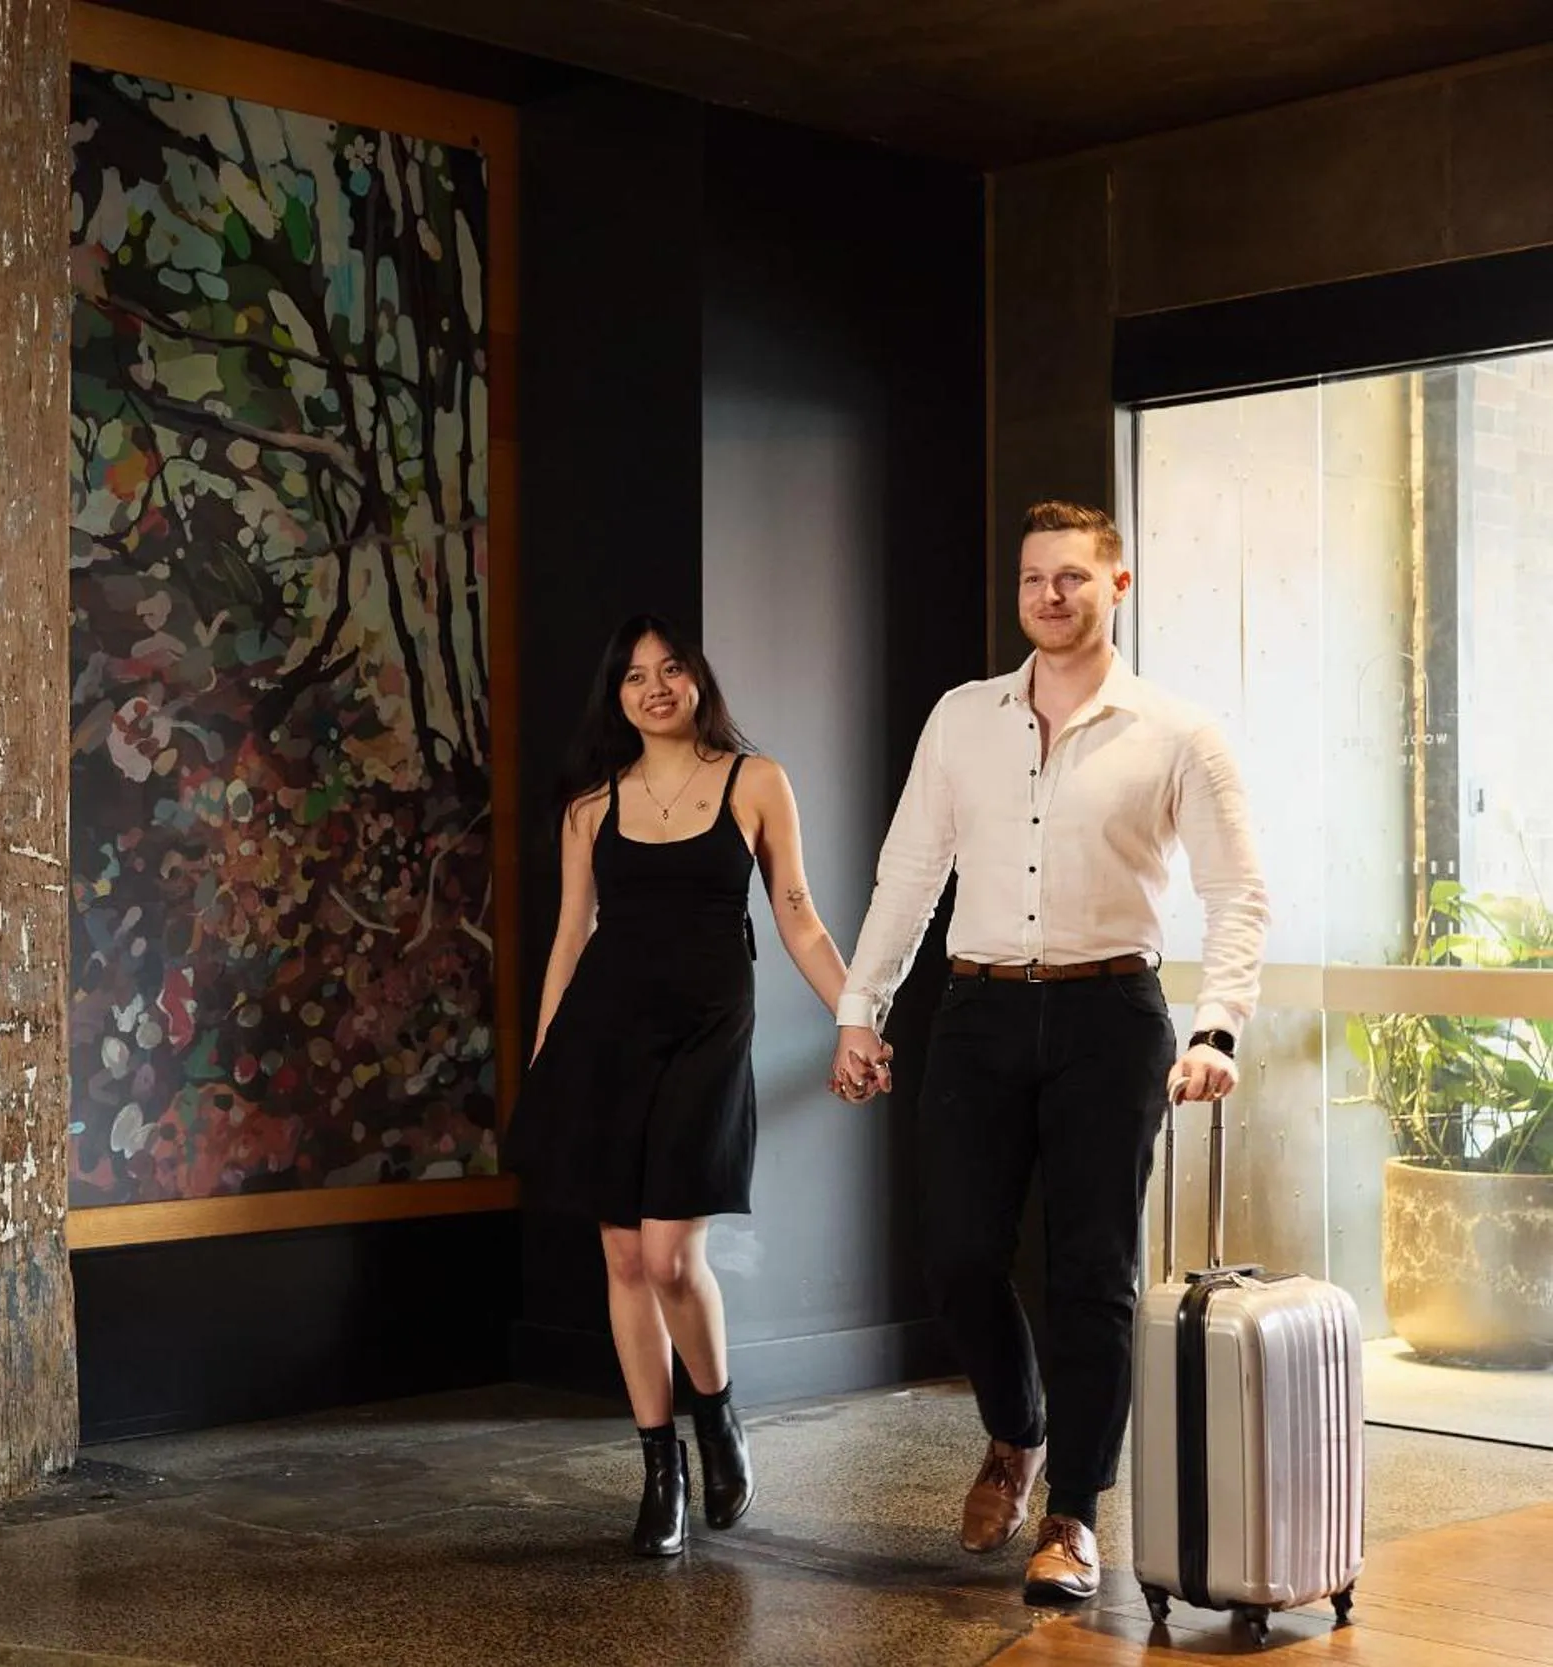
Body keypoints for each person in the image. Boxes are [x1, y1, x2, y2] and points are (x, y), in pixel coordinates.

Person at [831, 500, 1269, 1605]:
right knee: (959, 1253)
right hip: (975, 1015)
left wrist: (1217, 1025)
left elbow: (1236, 892)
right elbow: (908, 874)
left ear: (1116, 587)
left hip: (1109, 1018)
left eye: (1072, 577)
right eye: (1033, 578)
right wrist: (859, 1008)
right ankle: (1016, 1428)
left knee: (1092, 1275)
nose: (1049, 596)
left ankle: (1072, 1511)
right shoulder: (959, 718)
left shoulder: (1177, 731)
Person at [508, 614, 855, 1557]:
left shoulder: (756, 780)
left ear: (698, 678)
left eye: (670, 669)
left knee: (669, 1256)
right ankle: (660, 1467)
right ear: (615, 697)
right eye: (633, 676)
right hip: (602, 1038)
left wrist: (856, 1015)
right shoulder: (592, 806)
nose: (653, 687)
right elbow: (571, 935)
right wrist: (546, 1055)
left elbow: (801, 920)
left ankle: (720, 1416)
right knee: (623, 1259)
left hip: (707, 1033)